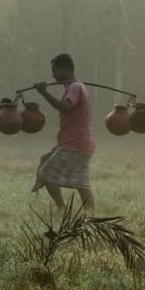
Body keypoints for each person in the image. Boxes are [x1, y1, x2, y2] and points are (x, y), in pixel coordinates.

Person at [31, 53, 95, 210]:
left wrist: (44, 92)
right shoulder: (75, 87)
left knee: (46, 173)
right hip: (79, 142)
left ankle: (62, 208)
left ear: (65, 68)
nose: (53, 75)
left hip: (75, 143)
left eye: (55, 70)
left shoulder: (74, 87)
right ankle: (90, 213)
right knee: (81, 183)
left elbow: (65, 107)